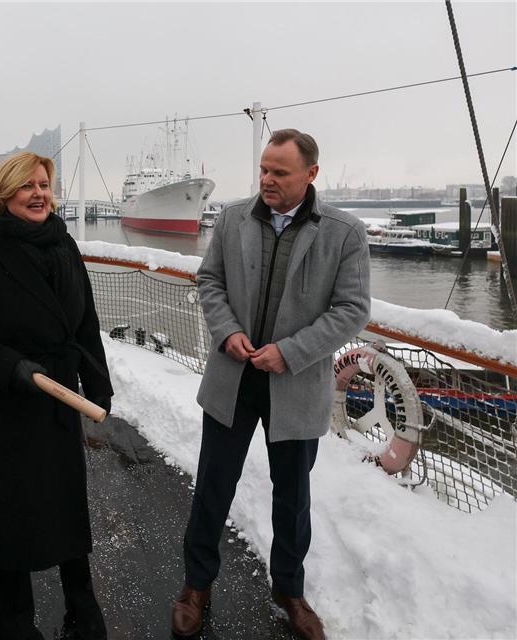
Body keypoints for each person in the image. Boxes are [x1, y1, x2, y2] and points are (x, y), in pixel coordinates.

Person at [170, 130, 371, 640]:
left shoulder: (344, 233)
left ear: (311, 174)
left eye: (280, 172)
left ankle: (289, 590)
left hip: (296, 384)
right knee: (212, 486)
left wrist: (291, 352)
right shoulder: (233, 217)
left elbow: (352, 310)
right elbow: (210, 281)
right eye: (264, 169)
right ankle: (196, 585)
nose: (267, 180)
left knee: (293, 498)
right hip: (233, 378)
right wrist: (227, 331)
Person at [0, 151, 114, 640]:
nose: (39, 194)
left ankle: (82, 610)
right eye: (27, 186)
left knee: (65, 507)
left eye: (44, 185)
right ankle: (14, 625)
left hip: (58, 400)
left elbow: (85, 322)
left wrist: (98, 382)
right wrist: (11, 367)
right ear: (4, 193)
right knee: (10, 516)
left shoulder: (64, 245)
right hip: (6, 405)